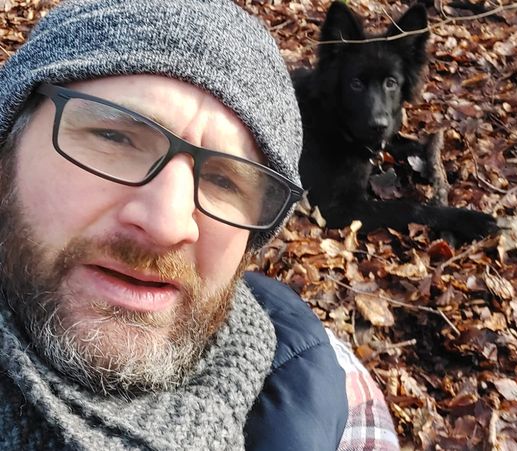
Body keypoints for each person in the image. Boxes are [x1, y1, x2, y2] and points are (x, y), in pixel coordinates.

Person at [0, 0, 400, 449]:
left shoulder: (342, 406)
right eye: (114, 137)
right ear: (8, 148)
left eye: (224, 181)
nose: (166, 225)